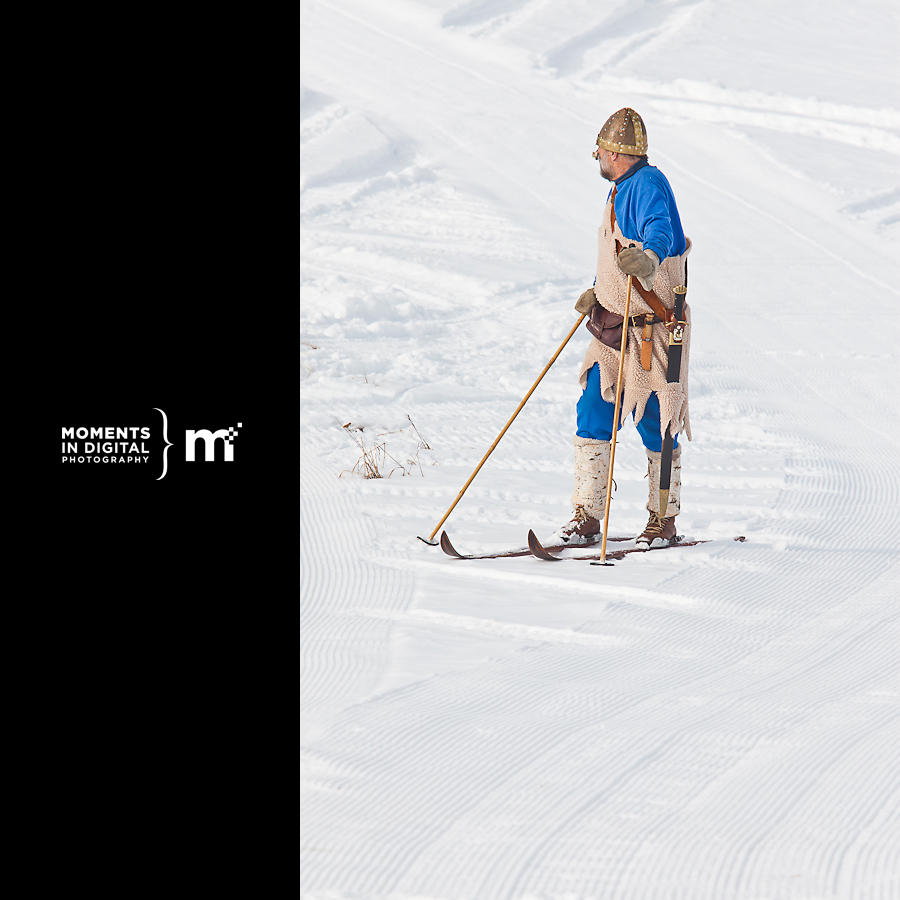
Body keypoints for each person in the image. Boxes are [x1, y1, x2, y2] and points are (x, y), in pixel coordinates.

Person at [552, 108, 692, 549]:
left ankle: (662, 518)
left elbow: (660, 232)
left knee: (655, 418)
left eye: (601, 150)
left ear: (616, 153)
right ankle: (588, 515)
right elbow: (617, 251)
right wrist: (600, 290)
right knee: (593, 409)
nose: (597, 155)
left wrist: (650, 258)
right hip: (613, 326)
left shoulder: (647, 184)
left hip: (650, 331)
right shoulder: (620, 188)